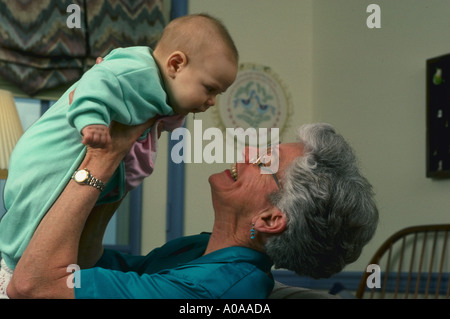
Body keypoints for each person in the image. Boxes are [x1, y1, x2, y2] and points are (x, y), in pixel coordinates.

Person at [5, 122, 378, 299]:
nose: (248, 155)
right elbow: (86, 264)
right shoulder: (200, 250)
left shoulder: (214, 292)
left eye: (265, 161)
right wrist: (125, 171)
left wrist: (101, 162)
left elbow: (31, 286)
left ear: (270, 219)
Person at [0, 13, 238, 279]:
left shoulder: (164, 91)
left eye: (218, 94)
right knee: (36, 214)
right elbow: (96, 83)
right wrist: (92, 121)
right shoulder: (136, 69)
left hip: (86, 166)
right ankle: (13, 262)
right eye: (209, 89)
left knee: (69, 228)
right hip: (49, 157)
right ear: (176, 64)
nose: (212, 101)